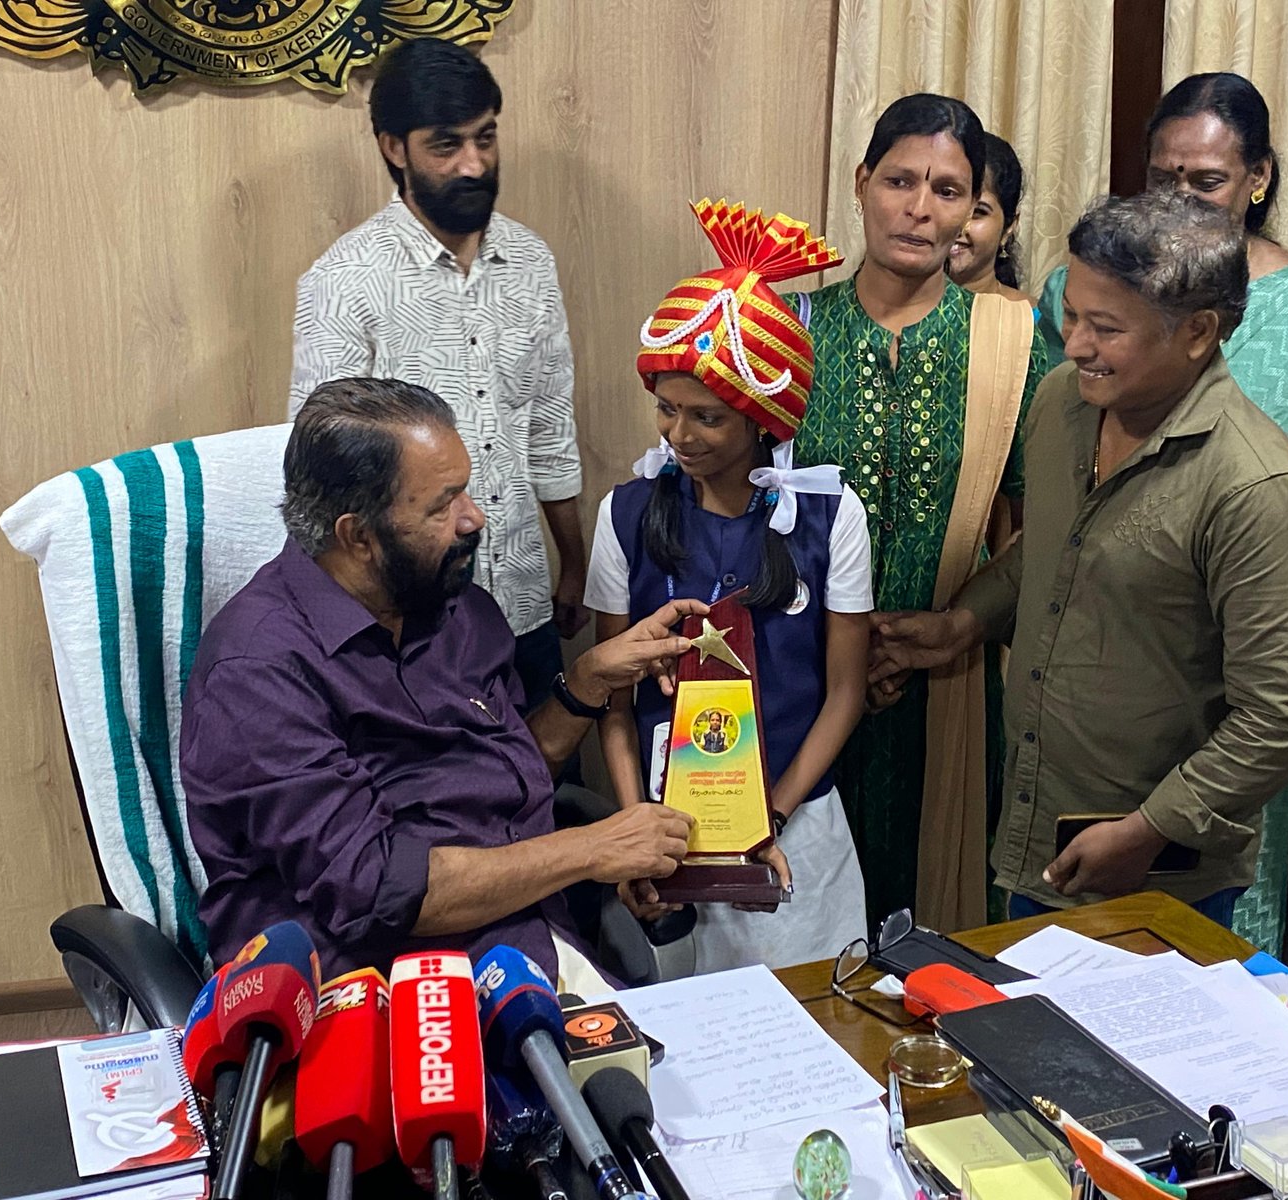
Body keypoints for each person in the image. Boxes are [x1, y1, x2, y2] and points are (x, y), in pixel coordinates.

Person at [873, 191, 1288, 929]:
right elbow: (1054, 549)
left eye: (1106, 328)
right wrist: (964, 623)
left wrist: (1149, 829)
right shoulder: (1064, 402)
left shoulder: (1252, 488)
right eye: (1073, 314)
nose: (1076, 343)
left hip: (1154, 871)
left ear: (1198, 332)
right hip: (1033, 821)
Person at [183, 378, 704, 989]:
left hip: (526, 943)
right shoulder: (257, 672)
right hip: (380, 990)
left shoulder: (454, 608)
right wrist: (592, 850)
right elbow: (381, 889)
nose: (473, 517)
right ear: (358, 536)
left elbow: (500, 773)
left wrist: (584, 684)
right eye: (442, 505)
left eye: (466, 490)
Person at [1038, 72, 1288, 956]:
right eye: (1166, 178)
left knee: (1198, 927)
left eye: (1207, 181)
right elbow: (1069, 514)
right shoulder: (1085, 348)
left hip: (1237, 647)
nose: (1183, 199)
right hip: (1107, 652)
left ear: (1257, 179)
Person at [586, 201, 871, 972]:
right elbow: (614, 702)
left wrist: (766, 818)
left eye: (707, 417)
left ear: (762, 419)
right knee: (677, 1024)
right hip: (665, 831)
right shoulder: (625, 513)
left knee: (810, 1015)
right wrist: (635, 830)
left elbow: (845, 692)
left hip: (793, 824)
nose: (679, 436)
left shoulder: (831, 516)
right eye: (667, 410)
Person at [795, 94, 1050, 930]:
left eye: (948, 191)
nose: (919, 208)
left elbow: (1052, 523)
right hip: (801, 677)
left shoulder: (1013, 342)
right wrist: (840, 648)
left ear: (974, 210)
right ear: (861, 183)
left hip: (954, 677)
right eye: (899, 181)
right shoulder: (789, 330)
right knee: (805, 918)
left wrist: (962, 624)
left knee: (938, 927)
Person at [288, 38, 586, 717]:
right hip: (414, 621)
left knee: (548, 769)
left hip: (525, 598)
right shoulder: (343, 281)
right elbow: (323, 474)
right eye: (446, 146)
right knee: (447, 781)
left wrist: (572, 563)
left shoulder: (532, 261)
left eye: (486, 138)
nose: (473, 164)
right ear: (395, 148)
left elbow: (549, 427)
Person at [947, 132, 1031, 304]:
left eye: (978, 212)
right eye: (947, 203)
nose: (958, 225)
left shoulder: (1030, 316)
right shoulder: (893, 310)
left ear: (1009, 226)